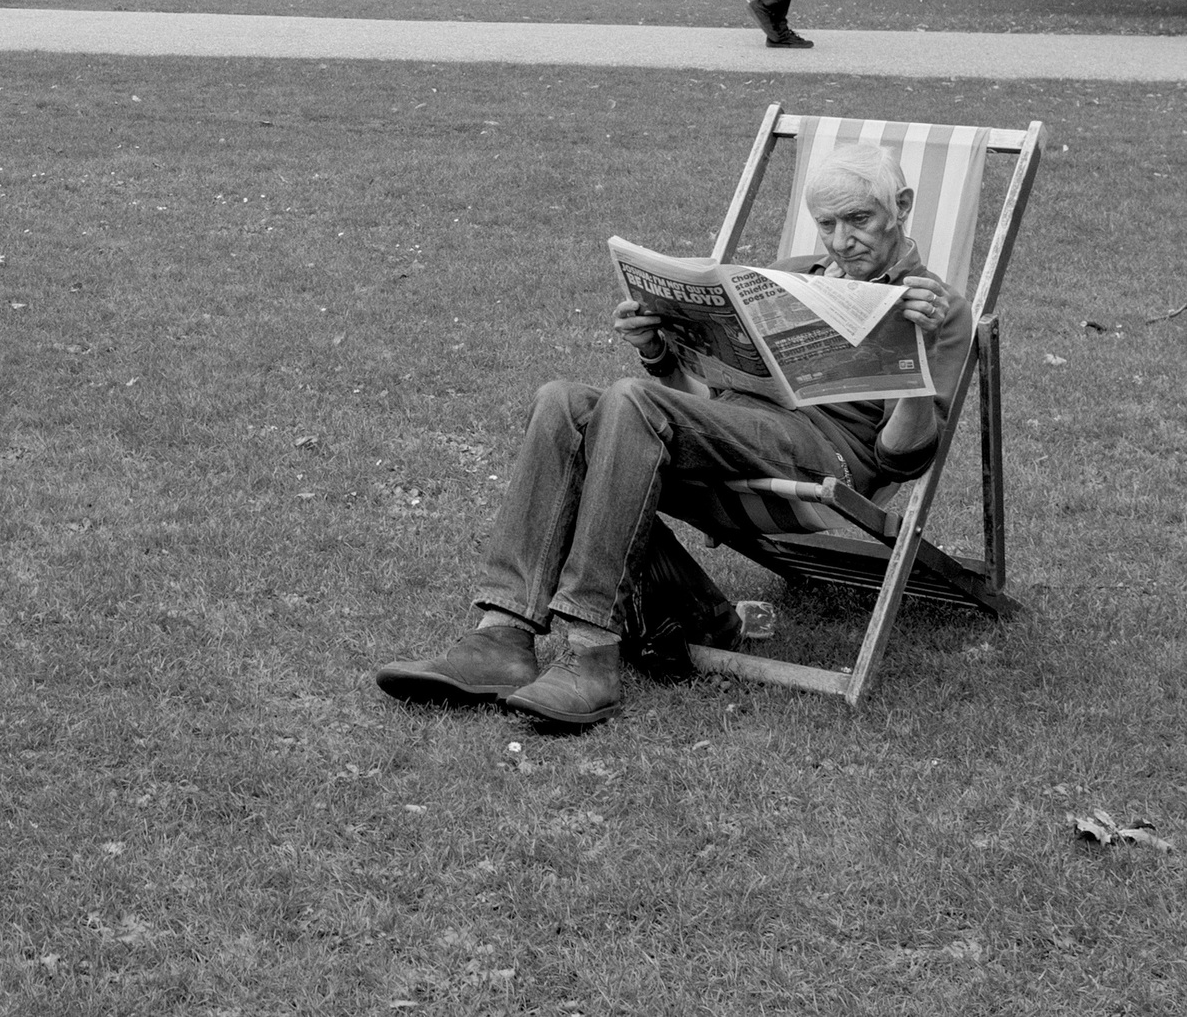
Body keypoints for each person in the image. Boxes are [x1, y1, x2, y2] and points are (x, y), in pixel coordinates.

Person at [373, 142, 973, 727]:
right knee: (560, 402)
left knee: (631, 402)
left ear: (902, 204)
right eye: (828, 225)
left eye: (860, 220)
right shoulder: (791, 278)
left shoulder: (937, 308)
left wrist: (912, 366)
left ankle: (590, 647)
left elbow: (903, 459)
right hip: (734, 432)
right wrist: (660, 353)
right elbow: (704, 405)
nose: (843, 241)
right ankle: (501, 635)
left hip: (826, 457)